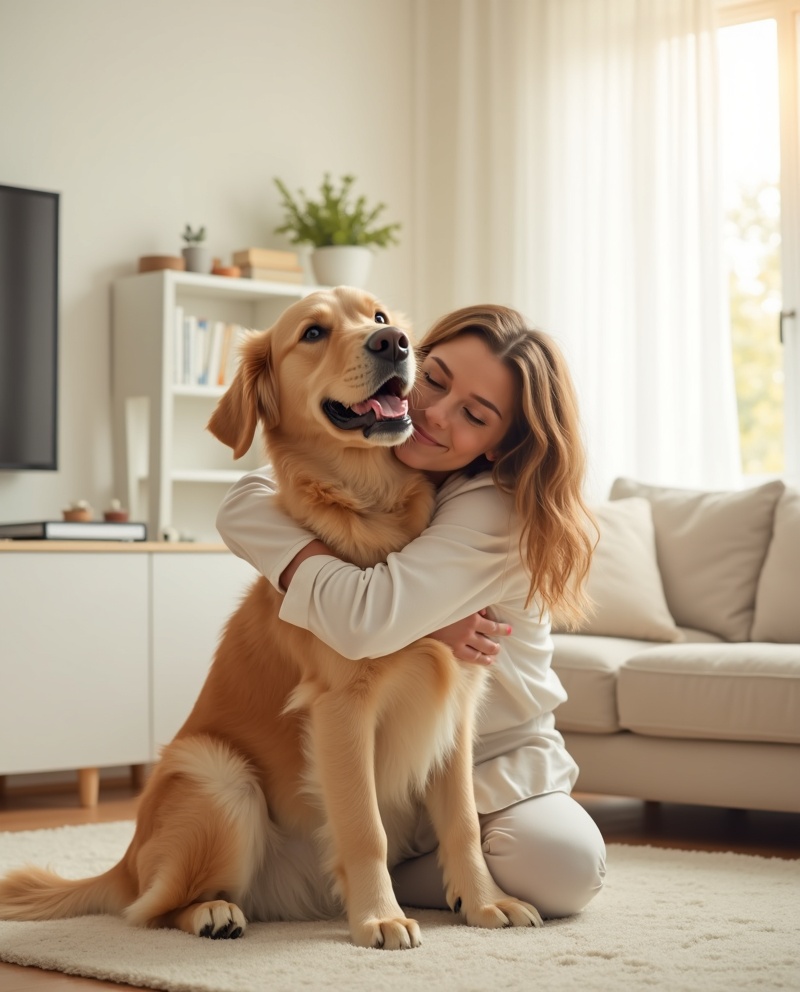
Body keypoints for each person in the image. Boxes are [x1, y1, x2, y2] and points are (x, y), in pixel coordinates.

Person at [216, 303, 606, 919]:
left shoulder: (493, 508)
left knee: (563, 869)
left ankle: (374, 875)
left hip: (493, 761)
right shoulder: (389, 455)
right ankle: (357, 874)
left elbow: (367, 619)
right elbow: (250, 495)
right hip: (392, 774)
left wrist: (413, 621)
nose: (432, 414)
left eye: (474, 415)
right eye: (435, 379)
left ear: (503, 445)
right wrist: (431, 621)